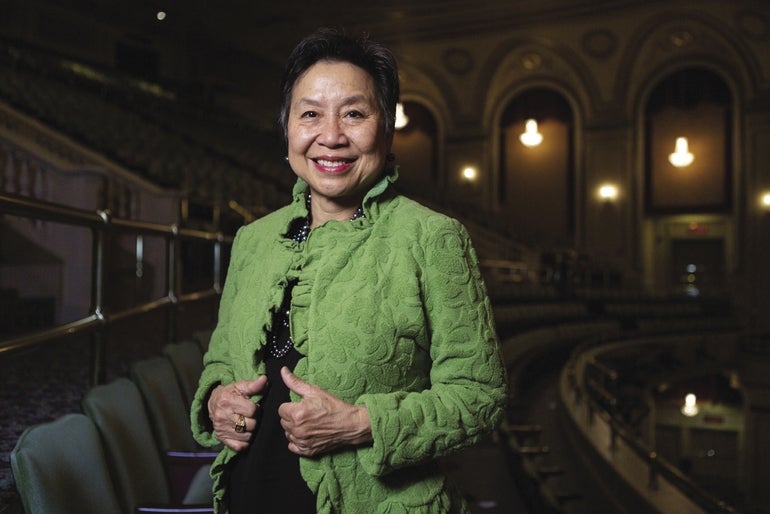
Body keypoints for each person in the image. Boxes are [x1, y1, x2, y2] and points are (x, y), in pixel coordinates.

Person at [191, 27, 507, 514]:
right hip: (249, 495)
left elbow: (479, 397)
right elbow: (219, 362)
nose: (331, 136)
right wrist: (217, 400)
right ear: (288, 128)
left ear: (385, 128)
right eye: (311, 113)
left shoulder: (433, 238)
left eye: (355, 113)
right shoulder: (253, 240)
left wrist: (361, 424)